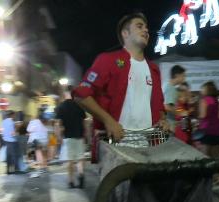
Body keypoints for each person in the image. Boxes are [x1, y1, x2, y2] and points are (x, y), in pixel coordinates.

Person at [72, 12, 167, 144]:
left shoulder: (154, 70)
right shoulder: (107, 60)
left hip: (148, 147)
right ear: (125, 33)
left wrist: (162, 121)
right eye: (139, 26)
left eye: (146, 27)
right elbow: (81, 95)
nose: (146, 30)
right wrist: (108, 121)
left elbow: (160, 107)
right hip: (115, 146)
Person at [56, 86, 87, 188]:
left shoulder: (61, 107)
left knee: (70, 160)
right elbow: (84, 123)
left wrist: (59, 137)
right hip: (79, 136)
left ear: (65, 94)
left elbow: (58, 124)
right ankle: (81, 175)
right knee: (80, 158)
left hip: (68, 137)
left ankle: (71, 181)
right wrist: (86, 135)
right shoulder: (79, 106)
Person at [164, 65, 186, 131]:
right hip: (169, 124)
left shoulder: (167, 84)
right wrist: (180, 113)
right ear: (177, 75)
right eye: (183, 76)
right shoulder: (170, 87)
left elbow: (171, 106)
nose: (184, 78)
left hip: (168, 121)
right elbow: (166, 106)